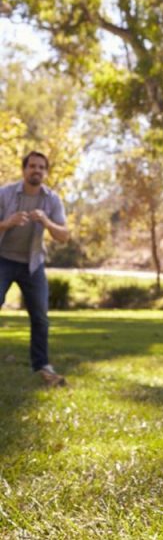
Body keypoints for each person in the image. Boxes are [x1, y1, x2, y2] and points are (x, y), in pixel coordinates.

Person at [0, 151, 70, 387]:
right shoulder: (5, 193)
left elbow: (64, 236)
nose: (36, 170)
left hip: (33, 263)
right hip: (3, 259)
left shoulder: (52, 200)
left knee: (40, 316)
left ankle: (41, 364)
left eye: (41, 167)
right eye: (32, 166)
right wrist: (7, 223)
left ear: (46, 172)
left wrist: (47, 222)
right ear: (24, 170)